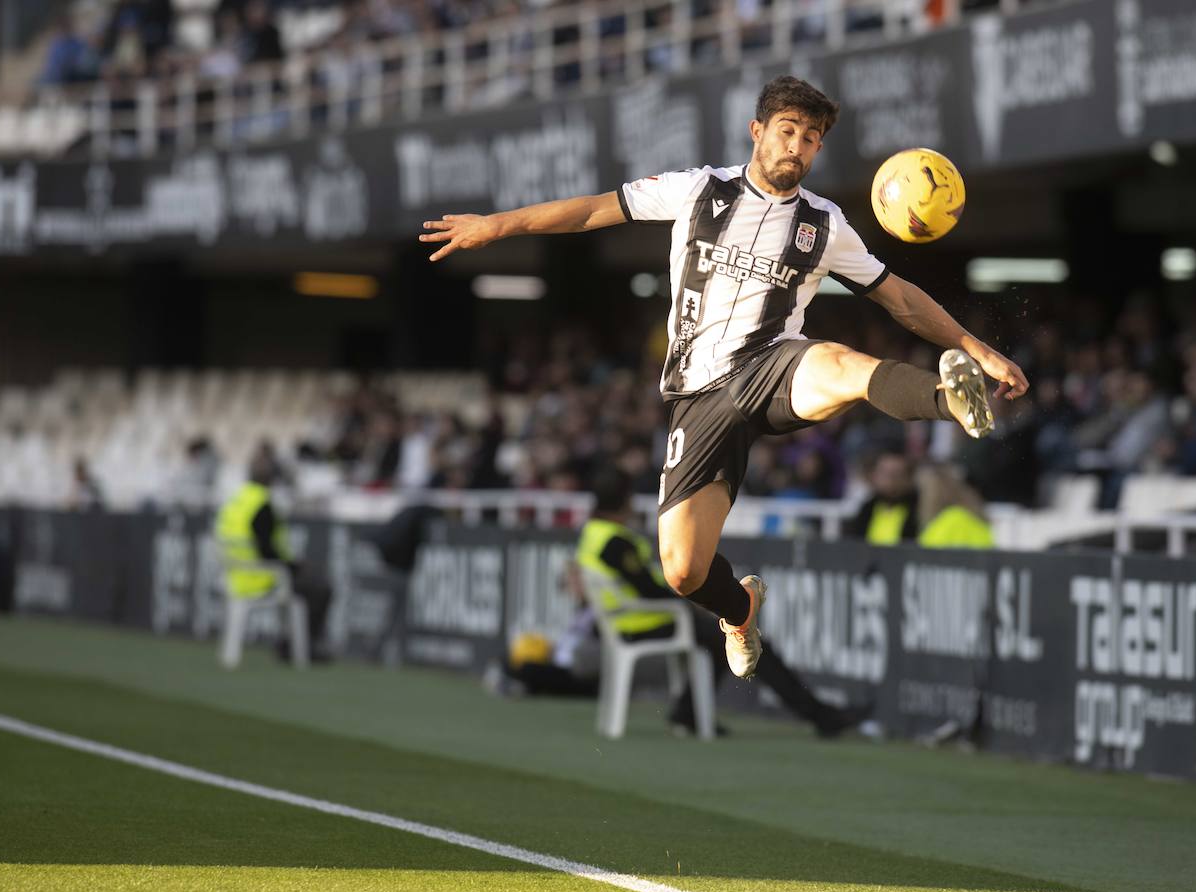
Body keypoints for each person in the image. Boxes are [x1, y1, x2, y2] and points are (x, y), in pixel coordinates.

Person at [421, 76, 1029, 680]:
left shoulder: (825, 224)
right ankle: (740, 610)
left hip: (772, 364)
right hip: (700, 398)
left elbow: (898, 298)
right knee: (683, 570)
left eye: (811, 138)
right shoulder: (697, 190)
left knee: (841, 364)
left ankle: (950, 399)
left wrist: (976, 348)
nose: (798, 146)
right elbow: (591, 211)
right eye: (788, 131)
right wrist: (496, 225)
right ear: (758, 132)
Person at [561, 469, 873, 737]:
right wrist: (693, 601)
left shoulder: (592, 534)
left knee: (725, 637)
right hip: (646, 622)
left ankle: (690, 712)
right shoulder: (615, 541)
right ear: (624, 499)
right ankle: (820, 716)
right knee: (742, 635)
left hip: (629, 622)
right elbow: (647, 590)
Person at [215, 450, 332, 662]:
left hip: (234, 577)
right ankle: (299, 646)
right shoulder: (262, 505)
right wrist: (293, 566)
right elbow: (266, 550)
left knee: (307, 583)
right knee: (320, 588)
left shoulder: (235, 500)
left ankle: (292, 644)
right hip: (261, 578)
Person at [845, 452, 994, 548]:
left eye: (896, 475)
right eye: (885, 474)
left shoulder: (947, 520)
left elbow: (923, 556)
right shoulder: (866, 511)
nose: (890, 482)